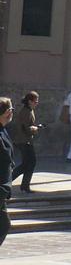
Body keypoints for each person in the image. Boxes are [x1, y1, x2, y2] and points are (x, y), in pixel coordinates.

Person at [10, 91, 39, 193]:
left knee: (29, 163)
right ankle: (7, 181)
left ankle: (25, 185)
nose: (37, 103)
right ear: (29, 101)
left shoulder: (29, 110)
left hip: (25, 140)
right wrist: (35, 129)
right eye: (35, 102)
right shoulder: (26, 112)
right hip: (24, 141)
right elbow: (26, 129)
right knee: (28, 163)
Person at [0, 97, 14, 248]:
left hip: (2, 189)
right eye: (11, 109)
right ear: (7, 112)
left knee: (3, 224)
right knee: (3, 224)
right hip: (0, 188)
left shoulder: (3, 130)